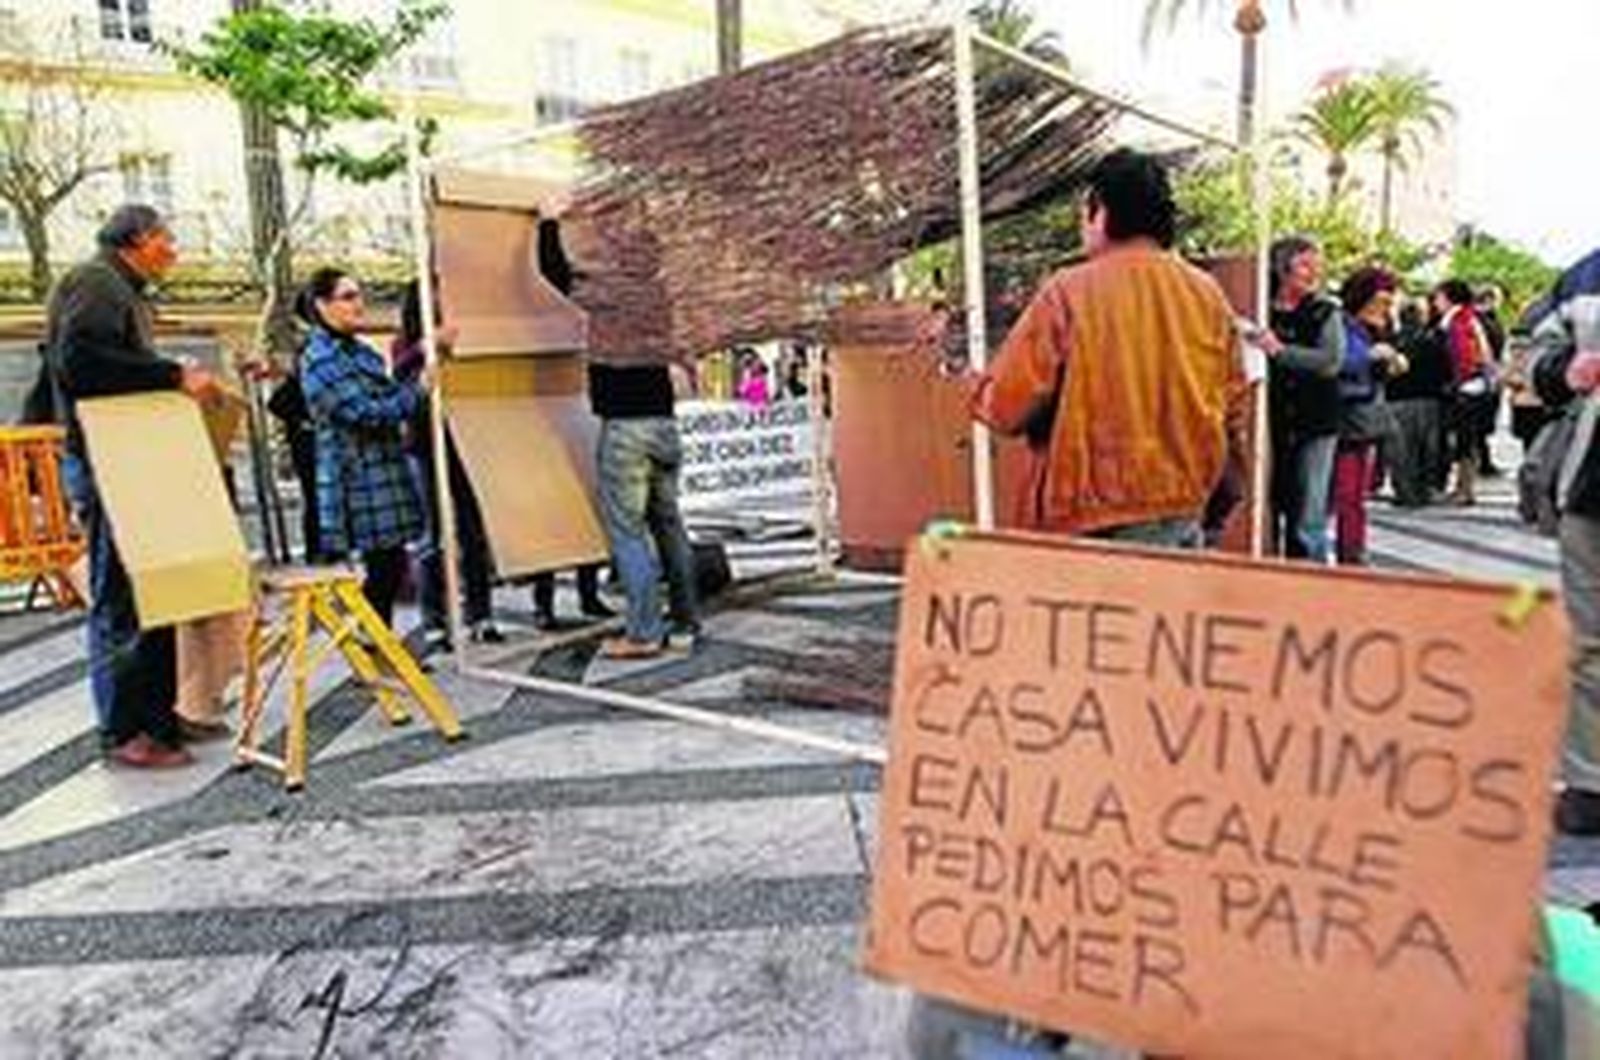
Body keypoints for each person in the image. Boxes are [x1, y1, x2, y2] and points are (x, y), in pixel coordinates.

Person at [914, 148, 1243, 1057]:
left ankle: (1074, 952)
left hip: (1083, 550)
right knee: (1159, 738)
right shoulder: (1206, 297)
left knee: (1078, 751)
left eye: (1082, 210)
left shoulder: (1070, 291)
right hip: (1178, 533)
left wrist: (970, 381)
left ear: (1098, 210)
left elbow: (1013, 405)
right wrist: (1217, 502)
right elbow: (1233, 412)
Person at [47, 204, 222, 768]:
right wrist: (170, 375)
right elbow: (81, 362)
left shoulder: (119, 286)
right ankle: (126, 732)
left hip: (130, 462)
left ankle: (157, 717)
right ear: (140, 239)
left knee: (155, 592)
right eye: (167, 239)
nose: (173, 250)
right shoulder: (96, 282)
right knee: (121, 597)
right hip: (108, 464)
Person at [297, 267, 426, 627]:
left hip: (380, 468)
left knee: (390, 563)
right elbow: (369, 412)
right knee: (384, 566)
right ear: (322, 305)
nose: (359, 303)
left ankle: (374, 640)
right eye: (348, 296)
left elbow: (385, 397)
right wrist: (418, 390)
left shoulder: (357, 351)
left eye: (359, 294)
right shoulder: (321, 360)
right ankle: (371, 641)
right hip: (358, 474)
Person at [392, 281, 503, 651]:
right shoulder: (405, 345)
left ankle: (481, 615)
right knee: (431, 536)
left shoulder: (461, 338)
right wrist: (426, 348)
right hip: (424, 445)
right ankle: (435, 620)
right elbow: (397, 377)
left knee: (472, 531)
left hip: (465, 442)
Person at [1529, 276, 1600, 835]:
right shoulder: (1587, 276)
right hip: (1591, 493)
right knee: (1588, 642)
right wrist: (1562, 371)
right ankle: (1590, 782)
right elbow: (1537, 354)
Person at [1264, 236, 1345, 563]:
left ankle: (1310, 581)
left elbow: (1330, 361)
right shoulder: (1262, 308)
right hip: (1273, 421)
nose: (1314, 273)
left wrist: (1280, 352)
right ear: (1281, 268)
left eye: (1317, 265)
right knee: (1272, 504)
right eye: (1305, 264)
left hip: (1315, 422)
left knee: (1308, 514)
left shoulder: (1325, 312)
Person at [1330, 267, 1405, 564]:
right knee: (1348, 495)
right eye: (1381, 301)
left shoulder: (1368, 329)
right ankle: (1350, 552)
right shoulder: (1342, 325)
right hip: (1346, 420)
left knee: (1356, 495)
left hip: (1362, 422)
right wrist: (1372, 358)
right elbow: (1338, 363)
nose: (1386, 310)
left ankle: (1353, 550)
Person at [1387, 295, 1453, 507]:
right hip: (1429, 400)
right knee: (1427, 449)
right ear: (1422, 317)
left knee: (1401, 451)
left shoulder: (1391, 340)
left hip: (1396, 401)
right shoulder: (1433, 339)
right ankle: (1423, 491)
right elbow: (1446, 369)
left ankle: (1404, 493)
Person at [1436, 279, 1497, 507]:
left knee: (1465, 440)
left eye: (1439, 297)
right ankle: (1463, 487)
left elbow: (1464, 356)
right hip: (1476, 386)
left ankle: (1465, 489)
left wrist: (1456, 381)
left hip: (1467, 388)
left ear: (1449, 297)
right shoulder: (1468, 317)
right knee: (1467, 439)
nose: (1436, 302)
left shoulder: (1458, 321)